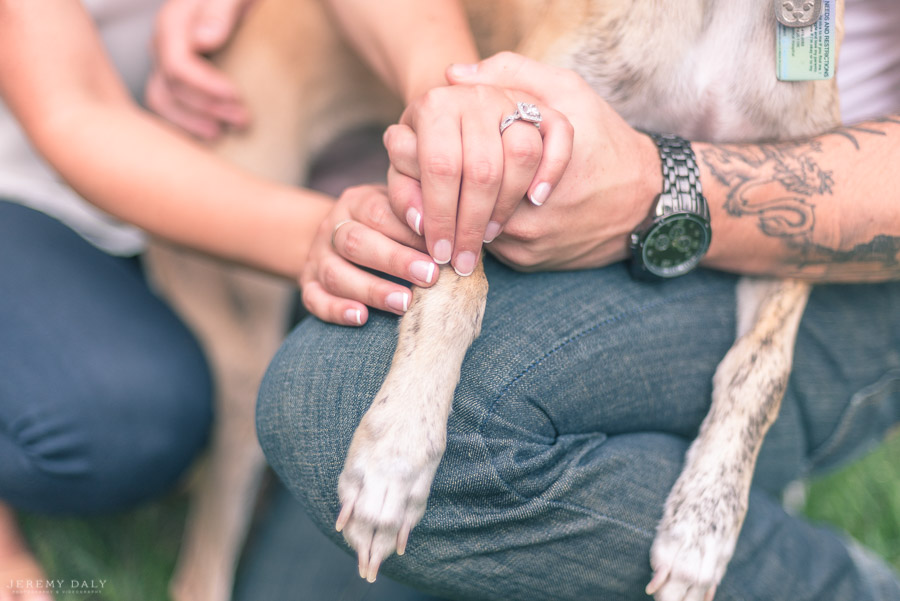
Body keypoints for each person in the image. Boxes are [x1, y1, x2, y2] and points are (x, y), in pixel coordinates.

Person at [245, 2, 900, 601]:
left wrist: (658, 186)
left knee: (338, 416)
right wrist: (459, 110)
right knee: (319, 480)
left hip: (849, 256)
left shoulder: (806, 47)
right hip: (571, 227)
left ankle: (833, 585)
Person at [0, 0, 438, 594]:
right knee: (118, 422)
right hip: (26, 176)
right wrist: (319, 238)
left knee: (205, 392)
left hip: (178, 150)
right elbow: (75, 111)